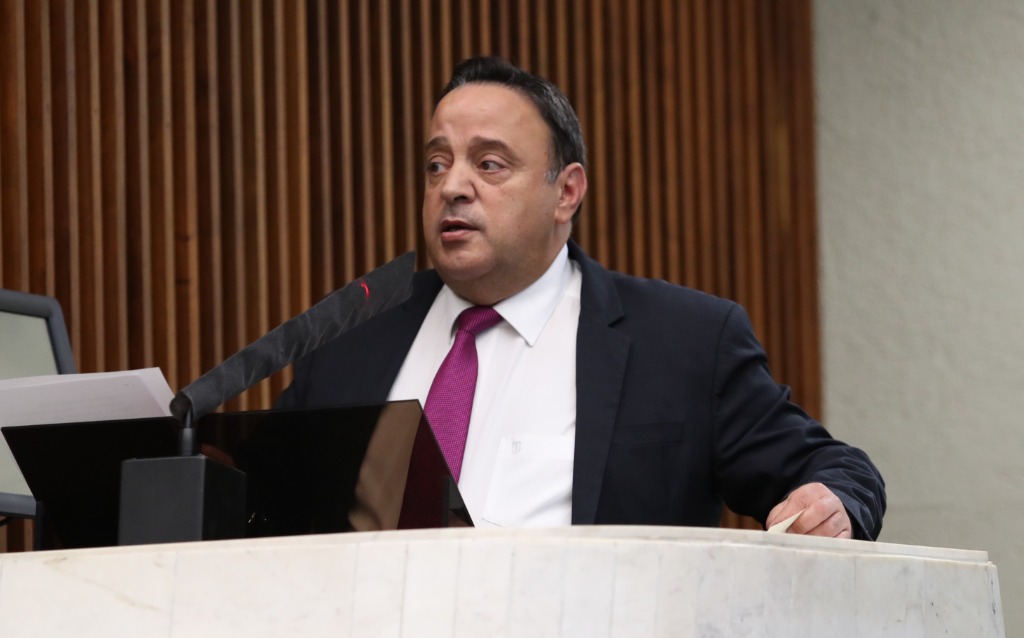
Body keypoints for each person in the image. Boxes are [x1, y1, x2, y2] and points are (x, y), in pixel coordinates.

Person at [279, 56, 884, 539]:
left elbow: (834, 471)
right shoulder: (350, 335)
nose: (452, 186)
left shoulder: (685, 343)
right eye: (437, 164)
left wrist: (832, 502)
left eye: (489, 164)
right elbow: (266, 503)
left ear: (566, 192)